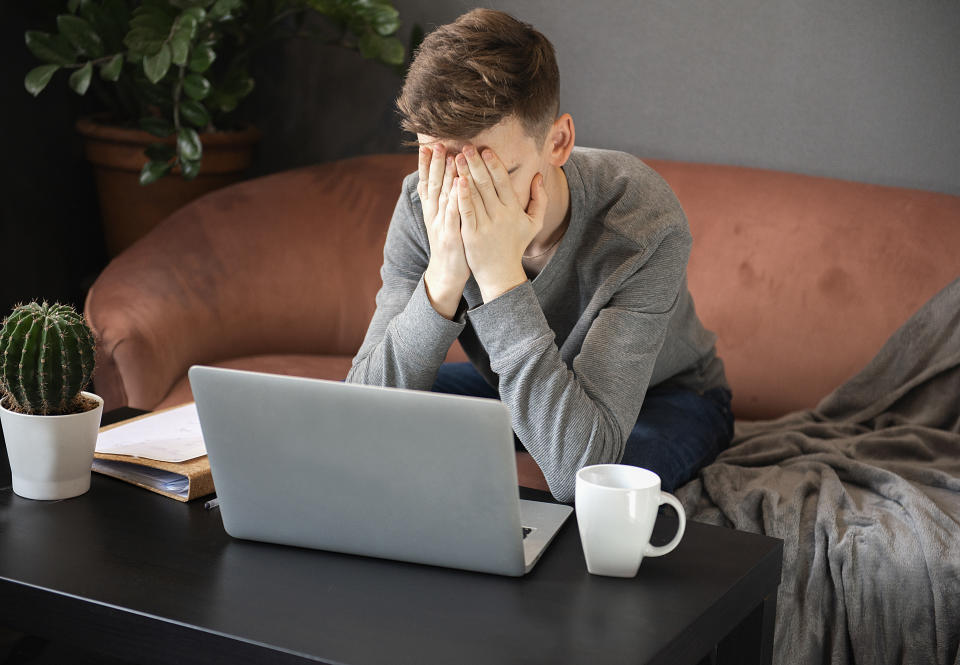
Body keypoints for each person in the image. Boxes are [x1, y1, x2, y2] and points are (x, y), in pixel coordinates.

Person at [346, 8, 733, 503]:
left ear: (558, 142)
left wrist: (499, 275)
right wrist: (442, 279)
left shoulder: (638, 216)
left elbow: (579, 470)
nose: (463, 201)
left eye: (492, 175)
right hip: (516, 380)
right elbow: (356, 420)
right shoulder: (425, 203)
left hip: (669, 395)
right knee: (361, 419)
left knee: (602, 493)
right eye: (440, 169)